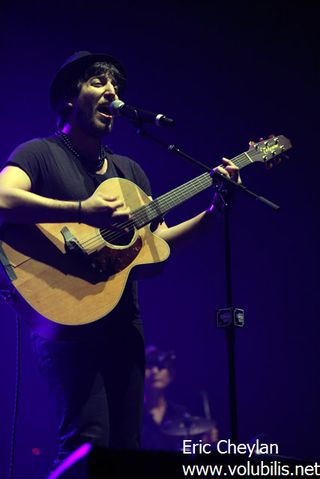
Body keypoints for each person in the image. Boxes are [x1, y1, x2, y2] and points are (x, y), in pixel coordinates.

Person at [0, 51, 239, 470]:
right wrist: (80, 209)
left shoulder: (130, 172)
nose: (111, 92)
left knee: (127, 445)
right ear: (68, 99)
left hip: (122, 319)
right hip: (64, 314)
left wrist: (214, 211)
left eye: (116, 87)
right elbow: (3, 198)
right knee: (85, 438)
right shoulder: (39, 153)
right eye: (97, 82)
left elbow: (159, 243)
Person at [142, 345, 218, 451]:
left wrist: (205, 445)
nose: (154, 371)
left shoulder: (181, 414)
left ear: (171, 375)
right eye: (149, 366)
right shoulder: (131, 415)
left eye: (161, 366)